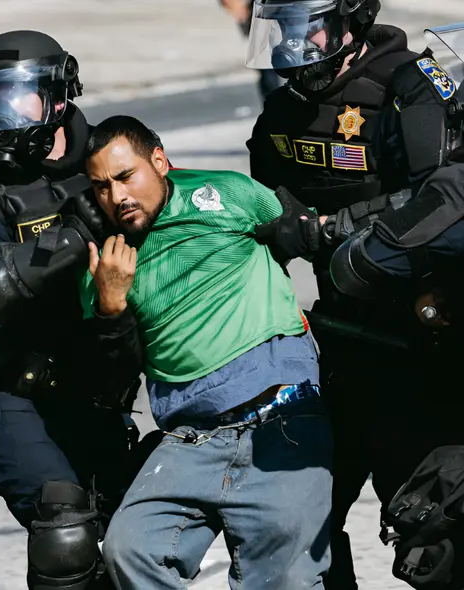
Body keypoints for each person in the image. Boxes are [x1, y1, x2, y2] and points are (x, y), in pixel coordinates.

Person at [243, 2, 464, 587]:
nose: (296, 43)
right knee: (289, 527)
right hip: (331, 336)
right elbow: (263, 206)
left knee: (433, 532)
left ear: (352, 18)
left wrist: (336, 228)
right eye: (284, 27)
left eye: (308, 25)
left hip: (418, 337)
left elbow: (436, 202)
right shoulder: (283, 108)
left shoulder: (412, 87)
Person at [76, 116, 329, 589]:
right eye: (101, 187)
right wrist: (111, 308)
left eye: (125, 176)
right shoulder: (106, 263)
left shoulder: (228, 192)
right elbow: (110, 378)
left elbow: (311, 235)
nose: (117, 197)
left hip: (280, 419)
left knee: (286, 580)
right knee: (131, 548)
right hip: (190, 438)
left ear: (159, 160)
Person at [0, 31, 138, 590]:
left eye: (16, 96)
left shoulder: (113, 159)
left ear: (59, 95)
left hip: (96, 380)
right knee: (63, 529)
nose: (1, 113)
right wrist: (76, 233)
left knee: (129, 535)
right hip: (6, 385)